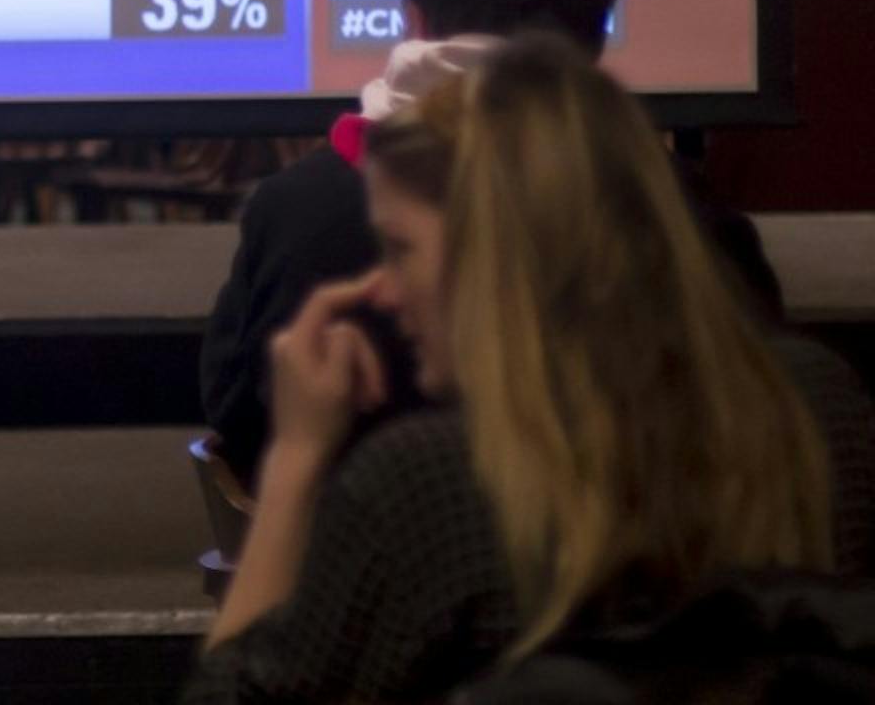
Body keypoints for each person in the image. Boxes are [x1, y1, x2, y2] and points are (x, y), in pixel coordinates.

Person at [187, 35, 875, 704]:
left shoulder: (429, 485)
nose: (385, 291)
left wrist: (295, 463)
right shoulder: (819, 406)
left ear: (497, 249)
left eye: (402, 248)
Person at [197, 0, 780, 490]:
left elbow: (241, 433)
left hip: (358, 585)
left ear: (412, 16)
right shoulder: (694, 224)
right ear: (597, 28)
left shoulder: (296, 216)